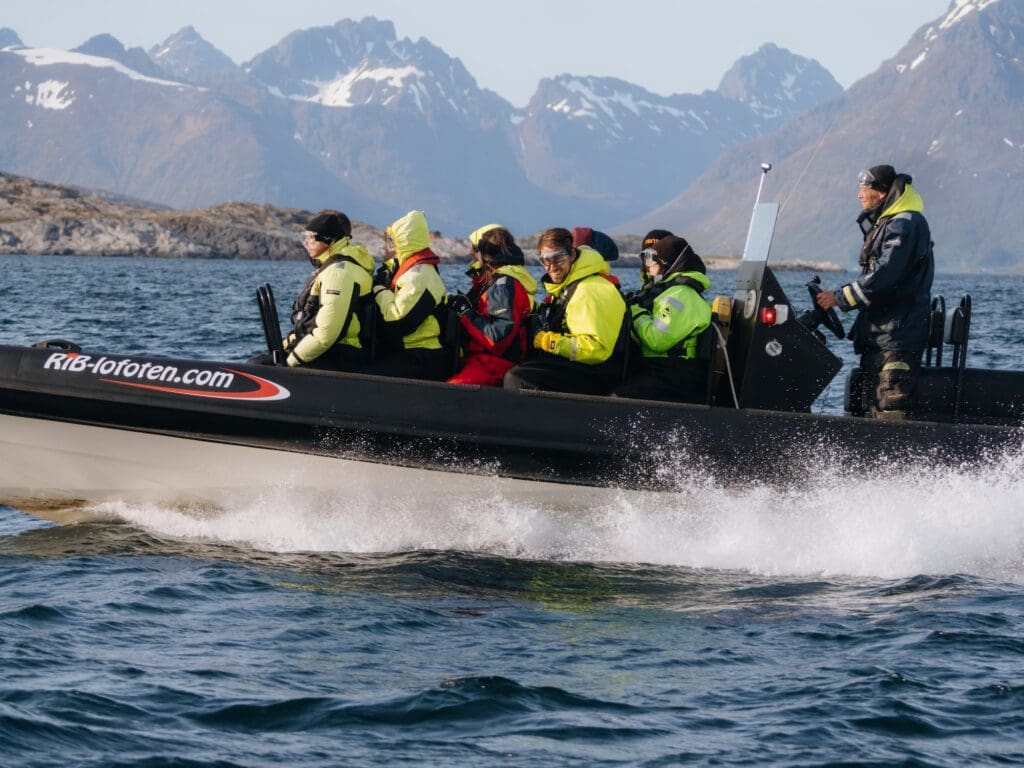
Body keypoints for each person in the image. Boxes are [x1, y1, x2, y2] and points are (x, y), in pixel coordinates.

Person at [816, 164, 935, 420]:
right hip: (880, 335)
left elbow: (884, 273)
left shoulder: (905, 225)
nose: (859, 194)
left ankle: (897, 448)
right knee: (870, 408)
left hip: (897, 336)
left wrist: (839, 297)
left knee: (890, 407)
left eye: (864, 188)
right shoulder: (889, 223)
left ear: (881, 193)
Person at [503, 227, 627, 394]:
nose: (552, 267)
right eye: (545, 260)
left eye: (558, 258)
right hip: (580, 367)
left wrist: (549, 341)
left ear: (572, 255)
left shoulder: (590, 290)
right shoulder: (569, 287)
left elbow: (596, 349)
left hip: (598, 374)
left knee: (518, 377)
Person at [614, 232, 712, 402]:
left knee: (617, 397)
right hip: (660, 367)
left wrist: (635, 311)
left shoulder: (681, 296)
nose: (648, 267)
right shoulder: (669, 291)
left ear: (666, 264)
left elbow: (656, 340)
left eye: (652, 261)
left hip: (676, 374)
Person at [362, 210, 451, 381]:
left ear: (401, 244)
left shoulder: (420, 276)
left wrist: (379, 290)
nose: (384, 247)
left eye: (389, 242)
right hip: (409, 351)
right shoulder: (409, 272)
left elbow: (398, 321)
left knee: (363, 378)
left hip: (422, 356)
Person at [280, 210, 374, 370]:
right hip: (327, 350)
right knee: (262, 361)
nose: (306, 243)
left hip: (339, 354)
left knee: (257, 365)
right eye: (305, 237)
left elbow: (326, 334)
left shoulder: (338, 273)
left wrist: (291, 362)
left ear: (329, 241)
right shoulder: (332, 268)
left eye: (311, 237)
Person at [449, 227, 537, 386]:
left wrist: (467, 315)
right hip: (484, 358)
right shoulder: (502, 280)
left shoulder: (503, 285)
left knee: (452, 389)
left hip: (494, 363)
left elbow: (498, 337)